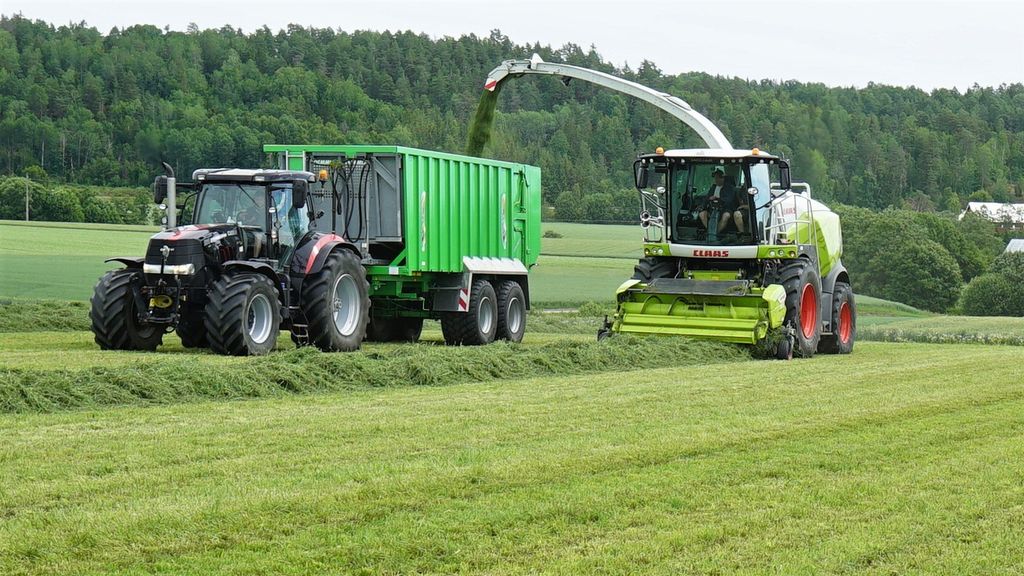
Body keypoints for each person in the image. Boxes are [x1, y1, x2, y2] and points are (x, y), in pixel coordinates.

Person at [699, 167, 739, 234]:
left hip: (725, 209)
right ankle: (710, 231)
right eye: (715, 178)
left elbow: (729, 200)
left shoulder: (730, 188)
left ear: (723, 178)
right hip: (712, 208)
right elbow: (706, 199)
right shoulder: (713, 187)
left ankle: (715, 233)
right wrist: (704, 204)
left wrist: (717, 199)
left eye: (718, 178)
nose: (716, 179)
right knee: (702, 214)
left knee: (726, 216)